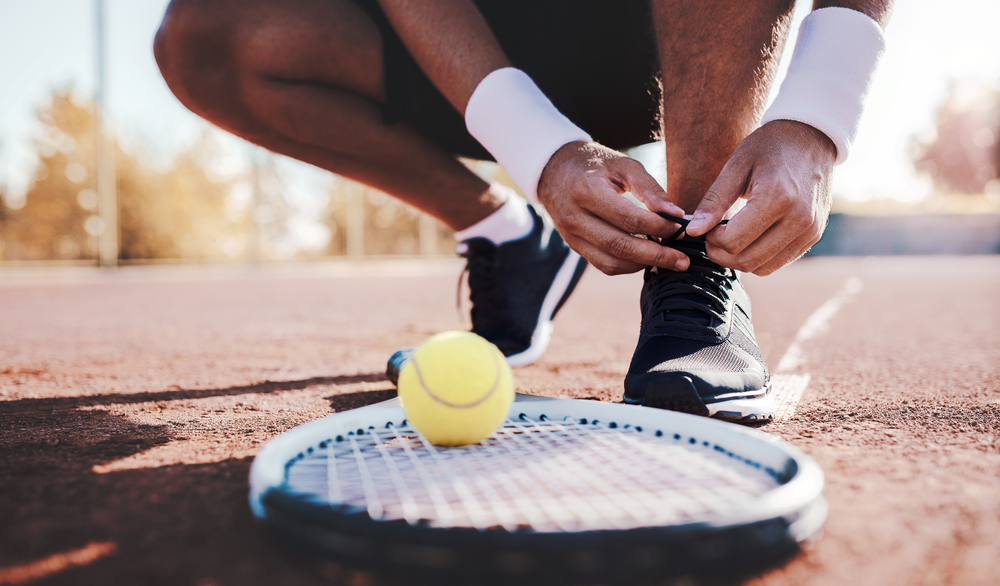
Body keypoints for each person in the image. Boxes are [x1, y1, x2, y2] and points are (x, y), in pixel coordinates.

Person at [153, 0, 893, 422]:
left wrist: (819, 115)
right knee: (203, 39)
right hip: (466, 40)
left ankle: (694, 266)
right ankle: (506, 236)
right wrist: (539, 151)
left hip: (668, 31)